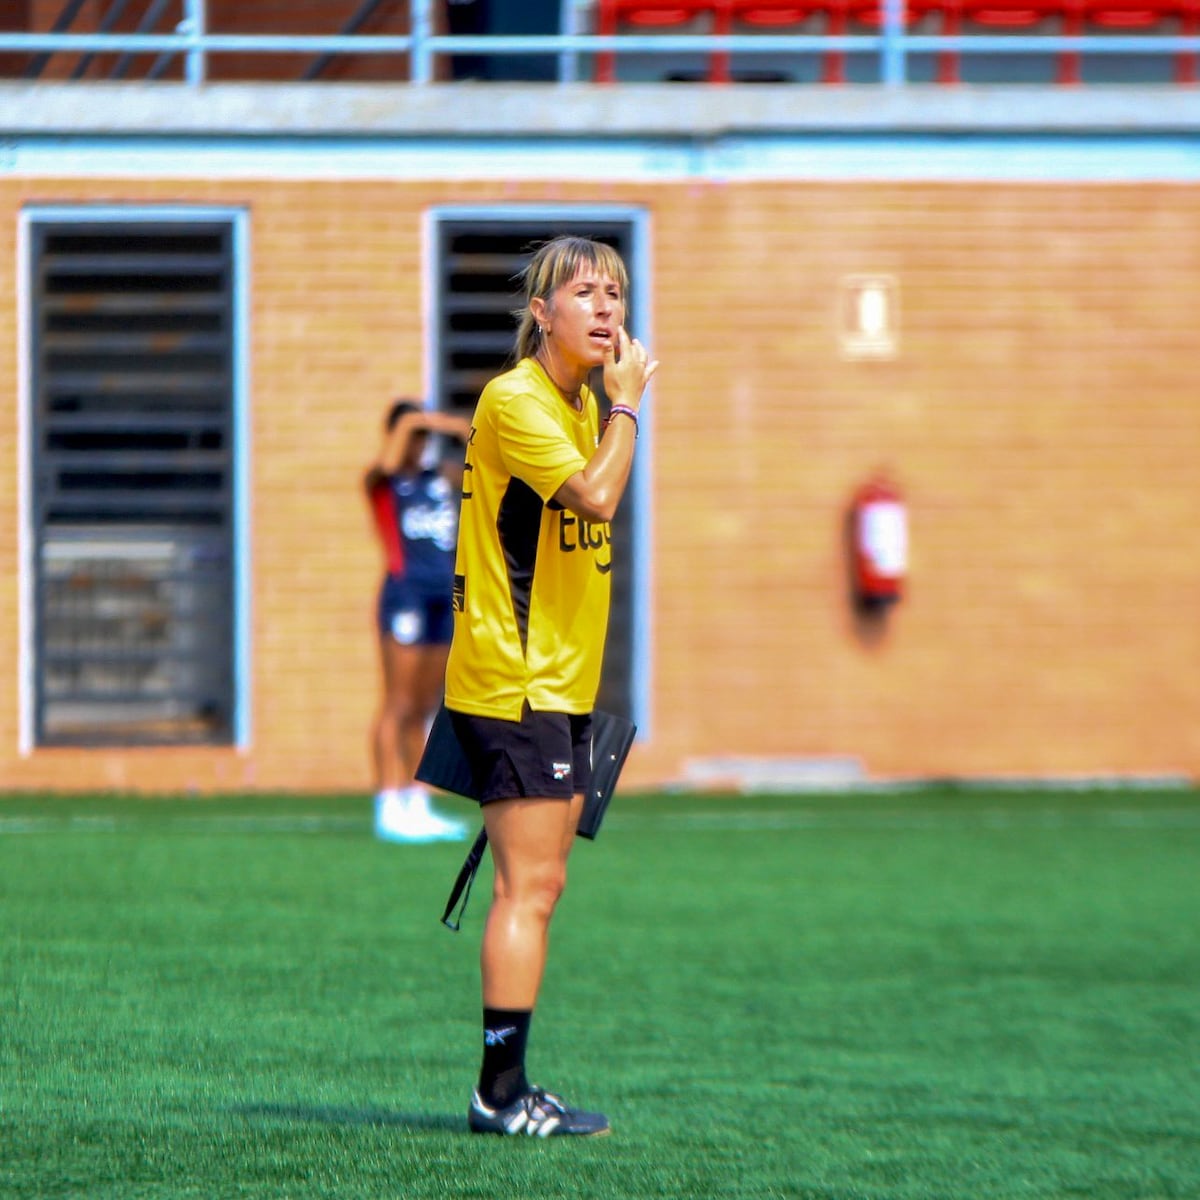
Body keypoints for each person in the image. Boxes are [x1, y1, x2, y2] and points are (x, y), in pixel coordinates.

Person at [442, 235, 657, 1137]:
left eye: (616, 293)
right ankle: (498, 1094)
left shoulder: (578, 406)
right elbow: (597, 498)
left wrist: (610, 410)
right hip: (514, 683)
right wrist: (630, 410)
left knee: (544, 884)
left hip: (559, 686)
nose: (607, 309)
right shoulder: (521, 399)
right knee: (523, 889)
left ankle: (511, 1084)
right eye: (584, 293)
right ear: (542, 314)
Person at [366, 400, 472, 843]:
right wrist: (413, 421)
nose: (419, 443)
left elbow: (475, 442)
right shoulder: (384, 483)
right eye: (412, 435)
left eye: (424, 437)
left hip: (441, 596)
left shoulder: (441, 480)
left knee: (426, 707)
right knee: (398, 702)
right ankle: (388, 802)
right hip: (404, 594)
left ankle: (418, 800)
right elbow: (388, 462)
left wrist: (439, 423)